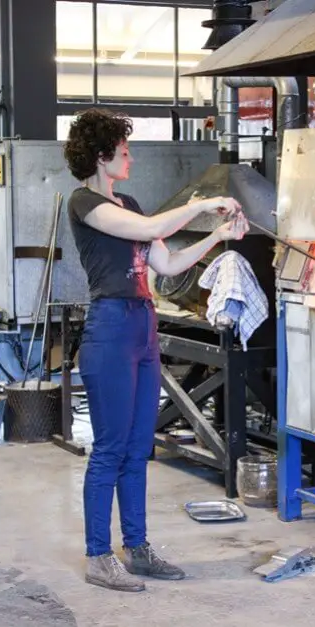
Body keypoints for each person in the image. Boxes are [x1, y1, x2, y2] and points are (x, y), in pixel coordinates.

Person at [63, 108, 249, 593]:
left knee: (137, 448)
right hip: (110, 328)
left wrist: (217, 235)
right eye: (123, 150)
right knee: (109, 449)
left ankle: (138, 548)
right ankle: (99, 557)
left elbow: (165, 263)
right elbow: (147, 233)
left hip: (143, 325)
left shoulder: (128, 201)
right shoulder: (84, 203)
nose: (130, 156)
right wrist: (204, 203)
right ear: (103, 155)